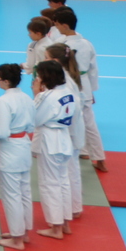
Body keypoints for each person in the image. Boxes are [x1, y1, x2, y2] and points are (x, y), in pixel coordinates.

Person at [52, 7, 106, 170]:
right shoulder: (87, 44)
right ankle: (99, 158)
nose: (56, 27)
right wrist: (92, 89)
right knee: (90, 124)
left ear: (65, 25)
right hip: (85, 85)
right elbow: (93, 69)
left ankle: (69, 155)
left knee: (66, 121)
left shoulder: (60, 45)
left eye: (57, 24)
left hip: (67, 85)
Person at [33, 59, 80, 239]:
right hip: (64, 138)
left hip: (50, 139)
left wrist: (36, 95)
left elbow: (36, 119)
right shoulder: (68, 92)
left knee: (50, 183)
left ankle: (56, 227)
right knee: (63, 181)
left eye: (39, 75)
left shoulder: (47, 96)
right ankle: (65, 222)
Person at [0, 63, 33, 251]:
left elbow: (0, 131)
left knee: (11, 195)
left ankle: (17, 239)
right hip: (23, 145)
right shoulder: (27, 98)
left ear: (6, 81)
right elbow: (31, 126)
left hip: (10, 151)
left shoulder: (3, 101)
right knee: (24, 192)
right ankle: (24, 232)